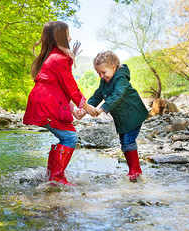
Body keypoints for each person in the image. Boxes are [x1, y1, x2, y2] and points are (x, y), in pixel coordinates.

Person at [23, 21, 97, 186]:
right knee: (70, 137)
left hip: (46, 101)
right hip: (47, 104)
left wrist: (73, 109)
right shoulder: (59, 58)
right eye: (67, 33)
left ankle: (52, 176)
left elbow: (60, 88)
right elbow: (71, 88)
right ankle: (55, 178)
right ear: (60, 37)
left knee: (66, 136)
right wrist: (88, 107)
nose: (70, 36)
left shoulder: (54, 57)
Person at [88, 50, 148, 181]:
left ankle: (135, 170)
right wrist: (86, 107)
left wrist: (103, 108)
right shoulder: (105, 81)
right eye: (98, 73)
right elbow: (98, 94)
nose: (101, 76)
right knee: (124, 142)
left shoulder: (121, 78)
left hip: (133, 114)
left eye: (103, 72)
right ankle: (134, 169)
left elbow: (118, 95)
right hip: (122, 117)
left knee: (128, 140)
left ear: (114, 67)